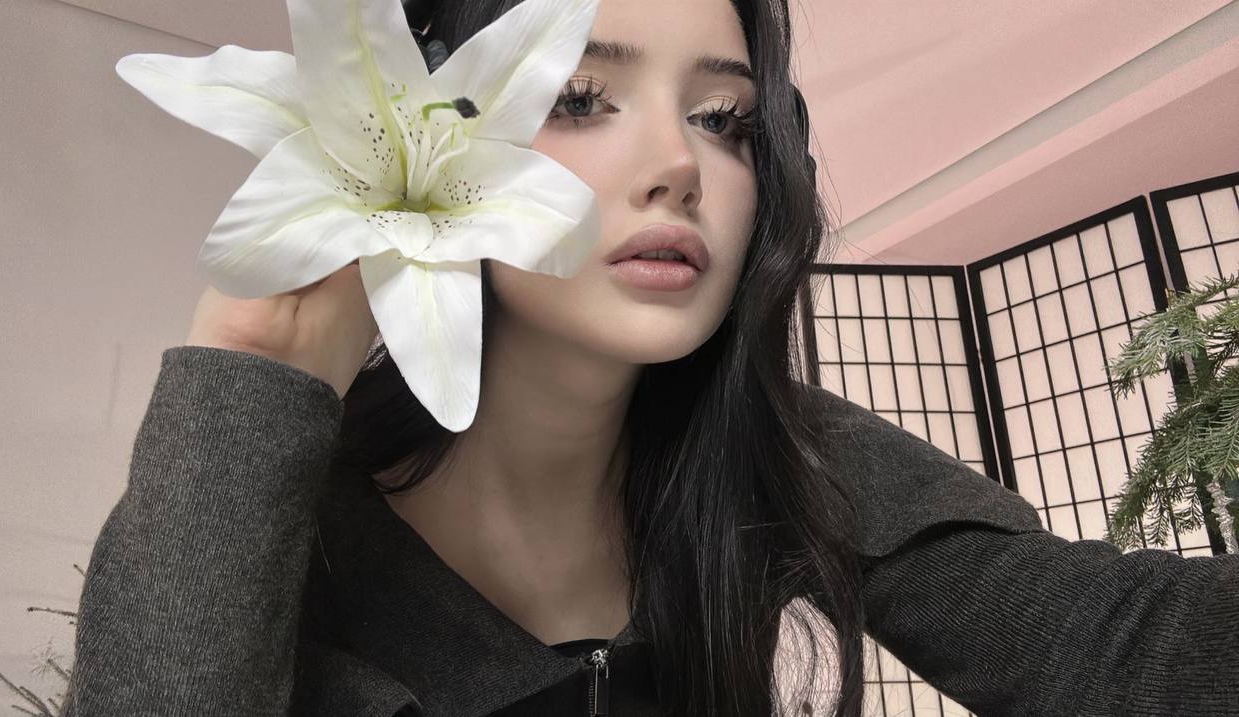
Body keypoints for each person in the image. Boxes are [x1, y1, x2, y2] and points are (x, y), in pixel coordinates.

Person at [61, 0, 1239, 715]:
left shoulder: (789, 456)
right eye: (579, 97)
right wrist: (254, 361)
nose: (678, 165)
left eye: (724, 121)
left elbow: (1127, 652)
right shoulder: (273, 520)